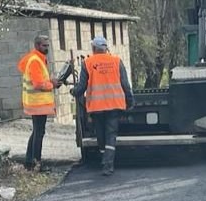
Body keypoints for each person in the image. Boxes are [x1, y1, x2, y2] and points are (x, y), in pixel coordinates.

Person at [71, 35, 134, 176]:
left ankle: (104, 161)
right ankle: (108, 165)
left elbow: (81, 87)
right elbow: (125, 84)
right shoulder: (117, 61)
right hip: (114, 105)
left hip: (96, 106)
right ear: (106, 48)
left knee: (100, 135)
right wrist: (130, 101)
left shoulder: (87, 63)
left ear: (93, 48)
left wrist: (73, 92)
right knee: (111, 134)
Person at [17, 33, 63, 171]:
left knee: (36, 131)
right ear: (37, 45)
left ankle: (30, 162)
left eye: (47, 45)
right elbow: (38, 84)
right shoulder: (36, 60)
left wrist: (50, 81)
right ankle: (36, 163)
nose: (46, 48)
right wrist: (52, 84)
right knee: (39, 133)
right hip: (37, 103)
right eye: (44, 46)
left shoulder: (35, 58)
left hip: (34, 102)